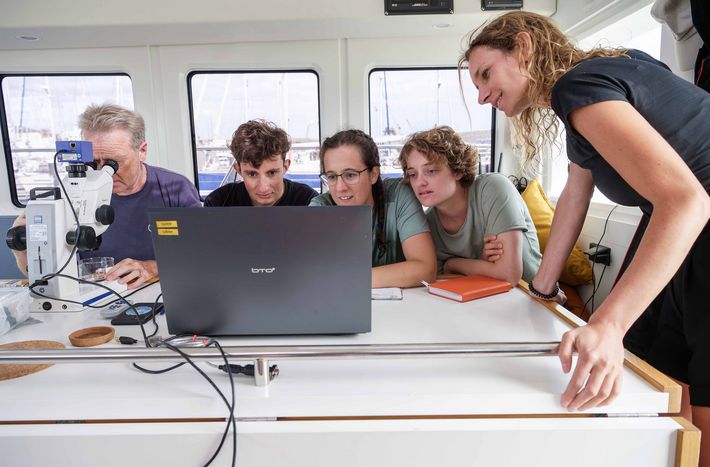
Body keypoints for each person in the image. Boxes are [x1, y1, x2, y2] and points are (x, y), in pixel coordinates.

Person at [462, 10, 710, 464]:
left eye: (485, 75)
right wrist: (540, 290)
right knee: (655, 381)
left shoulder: (578, 86)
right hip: (678, 230)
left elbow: (687, 200)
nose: (481, 96)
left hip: (693, 223)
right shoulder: (594, 83)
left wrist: (608, 326)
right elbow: (574, 196)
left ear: (522, 47)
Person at [12, 103, 201, 289]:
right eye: (93, 163)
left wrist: (152, 267)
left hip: (157, 292)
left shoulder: (175, 188)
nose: (103, 173)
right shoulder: (71, 193)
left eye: (113, 163)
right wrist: (22, 247)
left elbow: (200, 257)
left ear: (141, 151)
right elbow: (44, 275)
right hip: (92, 294)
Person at [399, 126, 541, 285]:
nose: (420, 182)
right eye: (412, 174)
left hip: (537, 300)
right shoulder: (426, 226)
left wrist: (453, 264)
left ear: (457, 170)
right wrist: (482, 262)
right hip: (481, 303)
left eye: (431, 171)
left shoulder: (493, 188)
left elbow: (508, 275)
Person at [309, 129, 436, 288]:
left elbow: (425, 269)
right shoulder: (320, 208)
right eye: (332, 177)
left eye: (350, 175)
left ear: (374, 174)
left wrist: (346, 280)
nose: (340, 188)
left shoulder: (398, 195)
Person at [203, 119, 317, 207]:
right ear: (238, 170)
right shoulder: (218, 203)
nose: (263, 188)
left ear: (285, 167)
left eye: (272, 173)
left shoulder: (308, 201)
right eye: (252, 174)